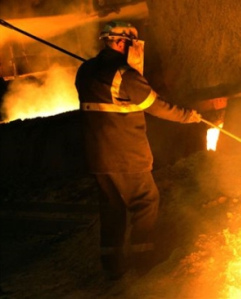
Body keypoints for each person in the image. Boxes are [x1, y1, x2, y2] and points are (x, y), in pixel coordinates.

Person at [75, 20, 202, 279]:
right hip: (126, 156)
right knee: (145, 202)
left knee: (112, 207)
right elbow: (157, 106)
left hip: (98, 157)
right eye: (133, 43)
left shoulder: (86, 71)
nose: (136, 49)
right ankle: (144, 261)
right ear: (122, 42)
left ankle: (112, 266)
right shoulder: (125, 75)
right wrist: (189, 116)